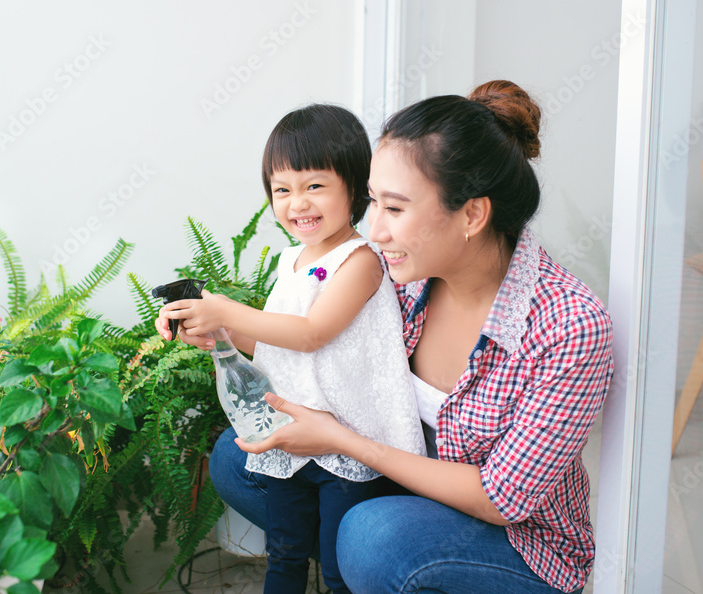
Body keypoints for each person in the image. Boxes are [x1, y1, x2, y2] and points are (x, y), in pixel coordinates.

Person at [198, 81, 614, 593]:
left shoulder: (568, 325)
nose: (374, 230)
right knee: (237, 458)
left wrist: (340, 441)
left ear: (472, 215)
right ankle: (350, 563)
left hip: (515, 544)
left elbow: (500, 499)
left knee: (372, 538)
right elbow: (322, 352)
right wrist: (220, 335)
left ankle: (362, 561)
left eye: (394, 209)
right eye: (372, 203)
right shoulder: (406, 281)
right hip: (404, 489)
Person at [157, 104, 426, 594]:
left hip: (345, 441)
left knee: (341, 569)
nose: (297, 203)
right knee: (283, 551)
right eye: (282, 190)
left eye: (314, 186)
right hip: (290, 431)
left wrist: (226, 309)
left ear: (355, 186)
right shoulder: (292, 261)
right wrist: (213, 328)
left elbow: (311, 333)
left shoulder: (361, 261)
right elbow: (276, 342)